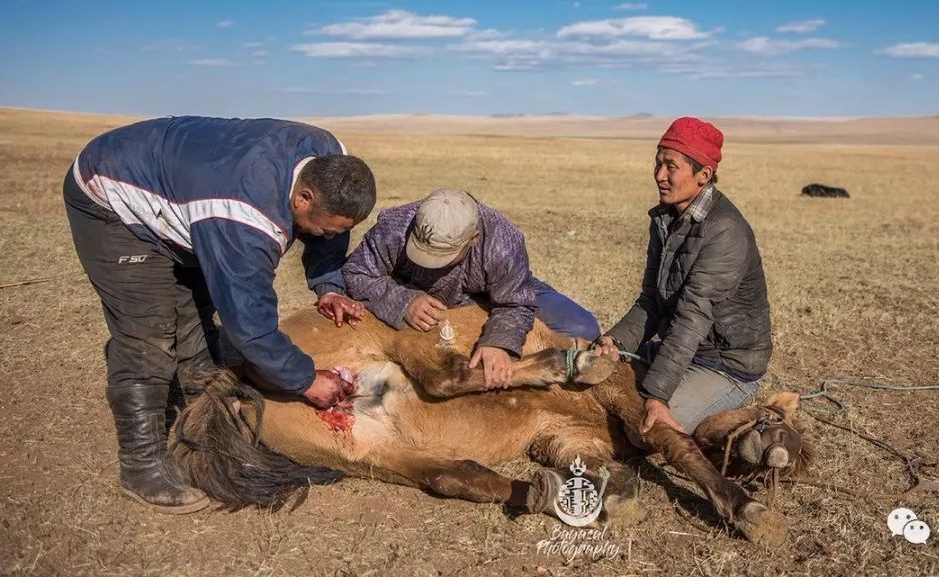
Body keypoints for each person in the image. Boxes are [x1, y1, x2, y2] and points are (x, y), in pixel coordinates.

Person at [64, 116, 375, 513]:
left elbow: (333, 229)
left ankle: (202, 405)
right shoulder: (242, 217)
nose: (329, 236)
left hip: (190, 190)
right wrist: (305, 379)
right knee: (149, 332)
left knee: (196, 306)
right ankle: (141, 464)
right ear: (303, 198)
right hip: (112, 197)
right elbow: (250, 325)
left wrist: (328, 284)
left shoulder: (332, 160)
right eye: (326, 229)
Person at [593, 117, 772, 437]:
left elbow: (693, 317)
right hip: (680, 350)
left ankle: (746, 419)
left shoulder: (725, 231)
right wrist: (616, 340)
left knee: (645, 431)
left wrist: (658, 396)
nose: (659, 175)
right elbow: (651, 299)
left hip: (725, 366)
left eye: (671, 166)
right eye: (658, 163)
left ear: (703, 174)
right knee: (594, 377)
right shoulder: (664, 219)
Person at [342, 188, 600, 388]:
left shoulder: (503, 240)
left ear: (473, 239)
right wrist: (403, 301)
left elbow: (514, 302)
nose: (431, 264)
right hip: (413, 291)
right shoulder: (393, 227)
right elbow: (356, 272)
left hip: (495, 294)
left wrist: (499, 343)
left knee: (581, 327)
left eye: (442, 256)